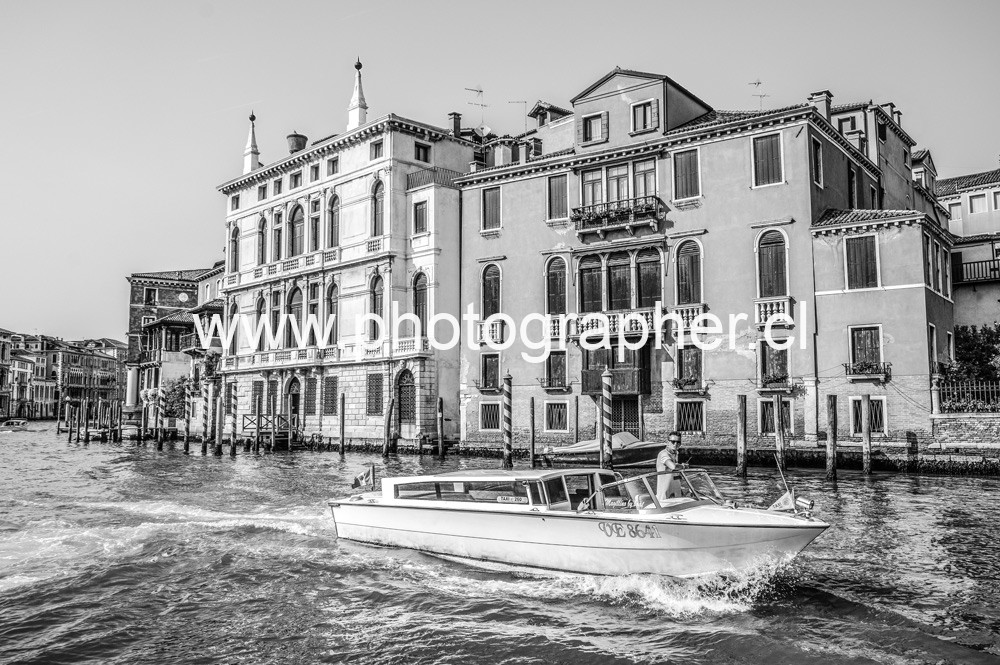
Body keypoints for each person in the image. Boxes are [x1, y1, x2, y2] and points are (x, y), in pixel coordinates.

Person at [655, 434, 682, 501]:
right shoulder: (663, 454)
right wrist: (683, 466)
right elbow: (673, 466)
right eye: (673, 442)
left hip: (676, 493)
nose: (675, 444)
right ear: (668, 442)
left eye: (678, 442)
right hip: (665, 495)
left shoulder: (675, 453)